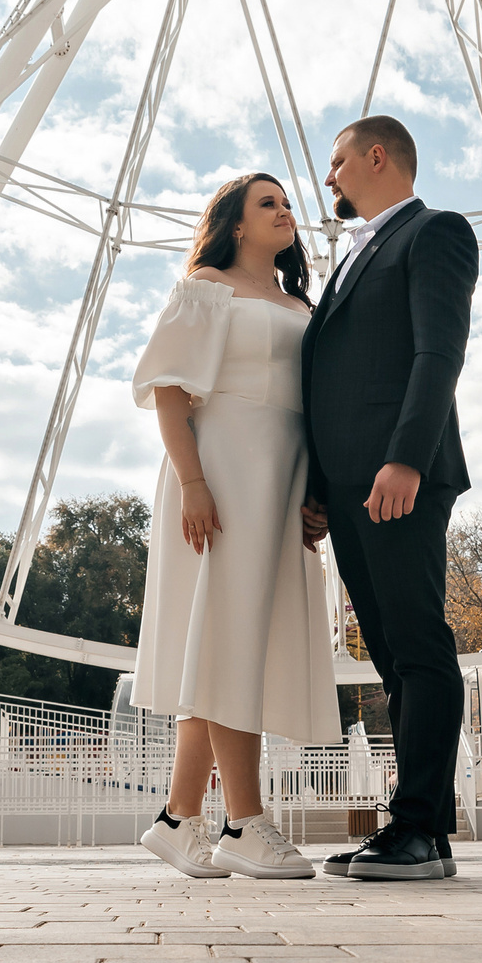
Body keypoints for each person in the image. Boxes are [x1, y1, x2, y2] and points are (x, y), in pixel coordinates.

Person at [132, 171, 342, 881]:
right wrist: (192, 482)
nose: (285, 211)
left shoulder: (298, 303)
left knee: (226, 643)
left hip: (279, 477)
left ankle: (176, 817)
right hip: (220, 473)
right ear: (236, 223)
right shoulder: (205, 288)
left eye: (286, 203)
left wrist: (314, 493)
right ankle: (244, 822)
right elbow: (167, 389)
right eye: (267, 203)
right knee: (228, 637)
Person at [303, 116, 478, 882]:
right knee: (392, 658)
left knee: (418, 644)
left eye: (337, 161)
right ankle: (421, 828)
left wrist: (407, 457)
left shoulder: (435, 233)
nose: (330, 177)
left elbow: (440, 351)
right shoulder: (351, 257)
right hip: (347, 486)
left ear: (378, 157)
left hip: (398, 476)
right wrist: (317, 488)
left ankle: (416, 826)